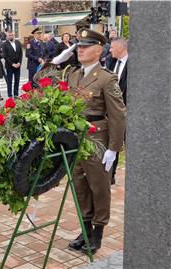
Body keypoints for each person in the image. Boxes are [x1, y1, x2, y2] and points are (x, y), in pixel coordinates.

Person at [66, 28, 126, 255]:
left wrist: (113, 148)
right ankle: (85, 227)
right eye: (78, 46)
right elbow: (40, 79)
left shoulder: (106, 78)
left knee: (99, 187)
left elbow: (119, 115)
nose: (79, 50)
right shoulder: (72, 74)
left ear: (99, 50)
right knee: (80, 186)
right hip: (75, 139)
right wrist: (55, 60)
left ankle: (98, 231)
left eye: (85, 46)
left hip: (97, 139)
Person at [107, 37, 128, 185]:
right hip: (112, 112)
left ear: (120, 48)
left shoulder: (132, 64)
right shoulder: (112, 62)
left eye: (112, 48)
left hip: (126, 113)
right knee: (113, 142)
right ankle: (110, 175)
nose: (109, 50)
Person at [2, 30, 23, 98]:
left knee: (17, 80)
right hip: (9, 66)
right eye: (9, 35)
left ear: (14, 35)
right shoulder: (5, 44)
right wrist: (12, 64)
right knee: (9, 81)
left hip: (18, 65)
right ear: (7, 36)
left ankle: (16, 94)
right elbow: (5, 56)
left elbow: (20, 53)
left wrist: (19, 62)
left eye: (12, 35)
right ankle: (10, 95)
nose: (11, 36)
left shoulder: (18, 42)